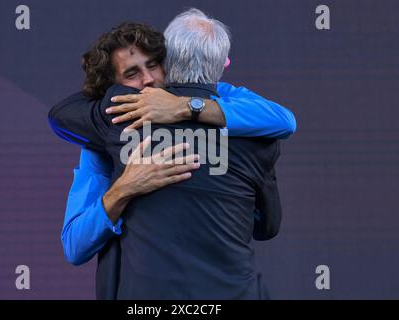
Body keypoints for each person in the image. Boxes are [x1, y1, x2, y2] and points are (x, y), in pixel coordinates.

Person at [49, 10, 295, 299]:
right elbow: (75, 247)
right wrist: (123, 190)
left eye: (154, 65)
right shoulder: (111, 127)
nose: (149, 80)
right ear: (112, 90)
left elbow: (285, 119)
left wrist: (187, 105)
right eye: (131, 74)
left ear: (169, 61)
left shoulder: (234, 113)